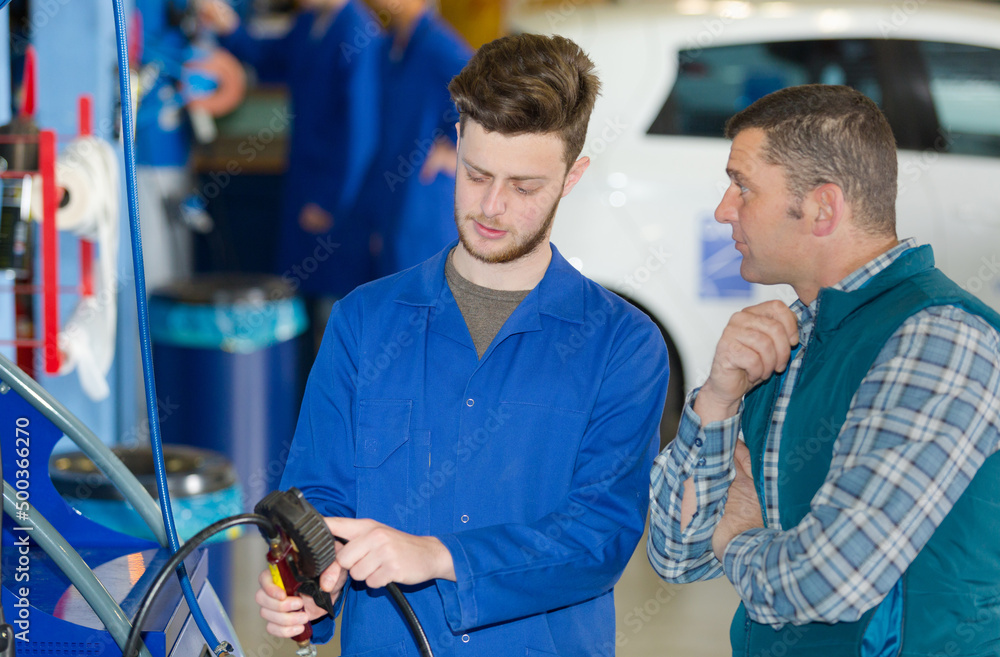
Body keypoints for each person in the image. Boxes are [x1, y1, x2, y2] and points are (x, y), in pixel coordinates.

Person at [255, 33, 670, 656]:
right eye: (476, 174)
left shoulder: (622, 346)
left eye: (525, 187)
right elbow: (319, 496)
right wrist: (306, 586)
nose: (493, 207)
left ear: (572, 177)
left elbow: (598, 537)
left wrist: (441, 556)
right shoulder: (364, 323)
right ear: (455, 145)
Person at [647, 84, 1000, 655]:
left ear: (823, 208)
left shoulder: (940, 337)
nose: (722, 210)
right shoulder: (786, 337)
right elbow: (675, 551)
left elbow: (832, 579)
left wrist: (736, 536)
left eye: (743, 186)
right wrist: (717, 399)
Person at [198, 0, 381, 302]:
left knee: (335, 297)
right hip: (301, 181)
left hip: (334, 195)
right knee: (297, 288)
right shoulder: (307, 25)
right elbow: (269, 57)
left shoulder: (358, 34)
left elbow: (361, 137)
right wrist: (229, 28)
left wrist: (329, 202)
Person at [352, 0, 472, 277]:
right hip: (389, 195)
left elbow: (493, 101)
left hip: (423, 204)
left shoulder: (439, 45)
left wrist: (457, 151)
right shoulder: (390, 46)